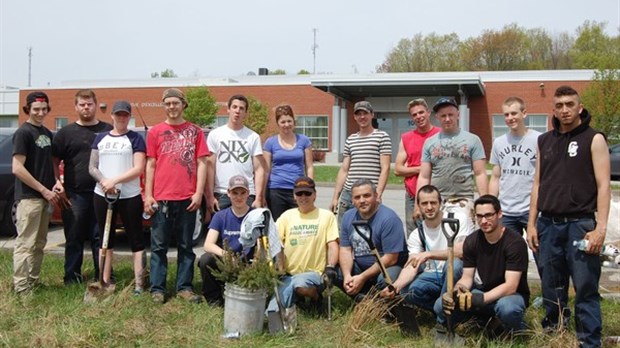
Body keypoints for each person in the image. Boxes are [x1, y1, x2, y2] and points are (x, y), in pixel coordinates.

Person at [527, 85, 610, 347]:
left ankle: (589, 340)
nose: (565, 110)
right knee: (552, 287)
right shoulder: (544, 141)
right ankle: (555, 335)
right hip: (548, 225)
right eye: (560, 105)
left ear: (579, 107)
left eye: (570, 104)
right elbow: (537, 183)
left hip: (580, 225)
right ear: (553, 109)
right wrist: (531, 223)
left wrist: (600, 229)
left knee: (585, 287)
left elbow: (604, 185)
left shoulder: (594, 138)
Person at [144, 88, 208, 304]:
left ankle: (184, 287)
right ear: (164, 106)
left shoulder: (195, 132)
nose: (172, 107)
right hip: (161, 198)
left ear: (183, 105)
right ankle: (158, 288)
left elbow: (202, 163)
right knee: (159, 246)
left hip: (187, 199)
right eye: (168, 103)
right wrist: (148, 195)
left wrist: (198, 193)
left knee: (185, 246)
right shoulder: (155, 132)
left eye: (175, 103)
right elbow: (150, 164)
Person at [440, 195, 529, 336]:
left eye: (488, 215)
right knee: (441, 306)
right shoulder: (472, 240)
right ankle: (484, 324)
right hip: (484, 291)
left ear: (499, 214)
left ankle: (520, 333)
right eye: (479, 216)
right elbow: (467, 277)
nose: (484, 221)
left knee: (507, 308)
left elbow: (511, 285)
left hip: (511, 295)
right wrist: (457, 292)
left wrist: (481, 299)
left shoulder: (515, 243)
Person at [380, 185, 471, 313]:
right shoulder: (417, 234)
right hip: (432, 275)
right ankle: (440, 309)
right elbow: (412, 265)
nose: (429, 207)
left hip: (457, 274)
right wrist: (396, 287)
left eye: (433, 202)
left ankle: (443, 313)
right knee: (408, 292)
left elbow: (461, 251)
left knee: (454, 265)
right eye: (424, 203)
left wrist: (428, 254)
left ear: (441, 203)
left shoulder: (456, 219)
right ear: (418, 206)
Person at [53, 89, 113, 285]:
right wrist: (57, 182)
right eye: (82, 104)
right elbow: (54, 160)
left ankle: (103, 277)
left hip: (102, 193)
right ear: (76, 107)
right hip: (74, 195)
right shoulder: (65, 133)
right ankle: (72, 277)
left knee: (101, 238)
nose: (86, 108)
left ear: (96, 106)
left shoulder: (107, 130)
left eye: (89, 104)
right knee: (74, 236)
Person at [88, 100, 146, 294]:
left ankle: (139, 284)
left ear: (129, 117)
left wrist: (115, 181)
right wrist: (105, 182)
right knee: (106, 239)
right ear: (112, 115)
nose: (121, 118)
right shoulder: (100, 138)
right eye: (118, 114)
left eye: (125, 115)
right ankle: (104, 282)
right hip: (102, 195)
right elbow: (92, 167)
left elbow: (138, 168)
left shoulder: (135, 139)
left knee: (136, 239)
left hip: (129, 195)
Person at [12, 91, 62, 294]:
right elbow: (17, 168)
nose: (41, 113)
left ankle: (33, 281)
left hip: (45, 198)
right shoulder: (23, 133)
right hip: (29, 199)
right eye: (36, 109)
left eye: (44, 109)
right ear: (28, 110)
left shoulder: (46, 133)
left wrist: (56, 182)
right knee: (26, 243)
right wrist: (42, 189)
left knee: (40, 243)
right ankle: (21, 287)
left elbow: (49, 163)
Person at [267, 176, 339, 313]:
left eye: (307, 193)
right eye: (299, 193)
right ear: (294, 196)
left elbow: (333, 245)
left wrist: (330, 266)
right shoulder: (286, 216)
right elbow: (275, 241)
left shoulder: (326, 216)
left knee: (300, 284)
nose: (303, 197)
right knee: (274, 310)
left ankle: (316, 298)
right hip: (289, 275)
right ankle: (282, 311)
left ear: (315, 195)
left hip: (315, 274)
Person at [417, 97, 487, 231]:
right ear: (437, 117)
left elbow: (480, 173)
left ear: (458, 115)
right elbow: (424, 176)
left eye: (450, 115)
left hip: (464, 200)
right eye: (443, 116)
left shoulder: (473, 140)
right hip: (437, 201)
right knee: (439, 242)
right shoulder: (429, 142)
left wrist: (484, 203)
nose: (447, 119)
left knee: (463, 244)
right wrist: (417, 204)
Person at [339, 179, 408, 298]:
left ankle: (379, 302)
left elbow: (391, 258)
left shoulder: (389, 219)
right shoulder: (348, 216)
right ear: (352, 200)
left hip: (388, 267)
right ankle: (363, 298)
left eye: (366, 196)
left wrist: (362, 277)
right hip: (361, 266)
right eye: (357, 197)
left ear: (376, 196)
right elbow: (345, 250)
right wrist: (347, 276)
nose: (362, 200)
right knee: (336, 272)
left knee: (386, 279)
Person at [329, 101, 392, 224]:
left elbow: (385, 168)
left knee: (371, 234)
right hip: (349, 194)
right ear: (354, 117)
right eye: (359, 114)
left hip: (370, 194)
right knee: (344, 232)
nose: (362, 117)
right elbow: (344, 170)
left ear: (372, 115)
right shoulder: (350, 139)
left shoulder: (382, 137)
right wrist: (335, 197)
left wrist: (377, 194)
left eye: (365, 113)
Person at [489, 97, 541, 237]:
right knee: (510, 254)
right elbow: (495, 177)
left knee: (540, 251)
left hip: (532, 210)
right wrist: (491, 204)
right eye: (506, 114)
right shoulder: (499, 143)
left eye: (514, 113)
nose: (510, 118)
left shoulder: (539, 140)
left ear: (524, 113)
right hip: (506, 211)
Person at [198, 175, 254, 305]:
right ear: (228, 193)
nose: (239, 197)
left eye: (242, 193)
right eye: (235, 193)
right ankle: (215, 301)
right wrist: (228, 256)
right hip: (227, 261)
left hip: (249, 263)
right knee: (206, 259)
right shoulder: (220, 216)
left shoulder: (256, 215)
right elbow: (208, 244)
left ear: (248, 194)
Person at [206, 94, 265, 212]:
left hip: (246, 194)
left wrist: (258, 198)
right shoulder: (215, 134)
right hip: (221, 194)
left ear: (245, 113)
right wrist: (210, 196)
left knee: (246, 230)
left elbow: (259, 169)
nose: (237, 111)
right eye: (234, 107)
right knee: (219, 229)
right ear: (228, 109)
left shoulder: (253, 137)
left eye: (241, 108)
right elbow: (210, 167)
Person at [394, 99, 440, 236]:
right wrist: (422, 169)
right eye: (414, 114)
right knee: (413, 233)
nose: (418, 116)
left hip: (436, 192)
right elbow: (397, 169)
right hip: (412, 194)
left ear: (428, 113)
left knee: (436, 231)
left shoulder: (440, 135)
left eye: (421, 112)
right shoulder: (406, 138)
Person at [263, 104, 314, 221]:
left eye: (289, 121)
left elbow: (309, 166)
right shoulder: (270, 143)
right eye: (283, 122)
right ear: (278, 124)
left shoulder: (304, 140)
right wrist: (261, 194)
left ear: (294, 122)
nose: (287, 125)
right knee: (278, 225)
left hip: (298, 190)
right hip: (275, 190)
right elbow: (265, 170)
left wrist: (311, 187)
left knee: (298, 223)